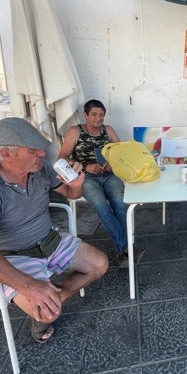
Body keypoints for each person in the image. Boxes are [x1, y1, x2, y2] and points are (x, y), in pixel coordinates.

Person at [0, 117, 108, 344]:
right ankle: (46, 300)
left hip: (49, 239)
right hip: (14, 255)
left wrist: (77, 184)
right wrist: (30, 286)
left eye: (40, 149)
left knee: (99, 264)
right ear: (7, 153)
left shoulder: (40, 170)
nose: (41, 154)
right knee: (48, 312)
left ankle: (56, 295)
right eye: (33, 150)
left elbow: (71, 195)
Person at [59, 99, 142, 268]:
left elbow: (119, 152)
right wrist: (85, 166)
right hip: (86, 177)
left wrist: (113, 163)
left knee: (120, 204)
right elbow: (62, 157)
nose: (98, 118)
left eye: (101, 115)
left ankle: (122, 250)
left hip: (109, 174)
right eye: (94, 114)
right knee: (101, 206)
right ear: (85, 115)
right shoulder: (75, 131)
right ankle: (127, 249)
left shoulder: (108, 130)